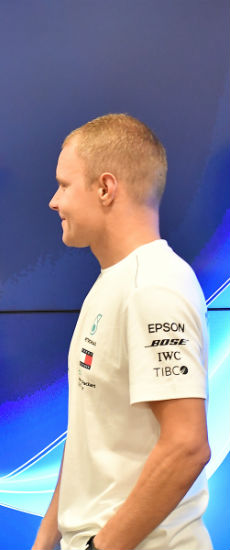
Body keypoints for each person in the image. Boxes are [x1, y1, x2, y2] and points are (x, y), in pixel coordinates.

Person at [32, 114, 211, 550]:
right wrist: (45, 540)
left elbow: (187, 446)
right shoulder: (115, 281)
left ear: (105, 188)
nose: (54, 202)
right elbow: (90, 437)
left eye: (64, 185)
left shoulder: (153, 286)